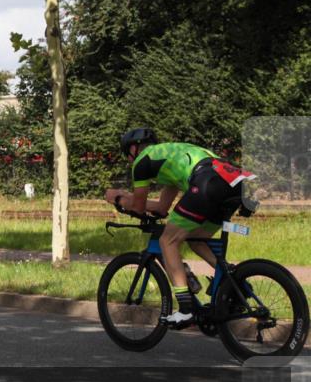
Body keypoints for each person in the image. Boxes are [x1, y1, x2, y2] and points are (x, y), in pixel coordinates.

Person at [105, 128, 255, 326]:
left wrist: (118, 197)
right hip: (231, 181)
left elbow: (139, 208)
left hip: (207, 181)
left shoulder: (142, 161)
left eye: (128, 155)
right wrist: (130, 199)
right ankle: (236, 283)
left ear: (133, 149)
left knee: (168, 241)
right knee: (197, 241)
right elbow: (161, 208)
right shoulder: (170, 159)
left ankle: (186, 309)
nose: (130, 159)